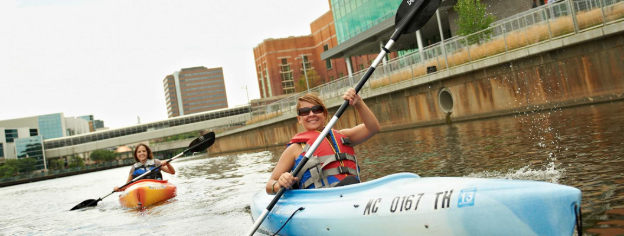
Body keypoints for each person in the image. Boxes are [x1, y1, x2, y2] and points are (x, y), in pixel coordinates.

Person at [266, 88, 380, 194]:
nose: (311, 114)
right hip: (321, 200)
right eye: (305, 112)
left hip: (352, 190)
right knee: (350, 181)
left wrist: (358, 103)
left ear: (324, 114)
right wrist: (280, 184)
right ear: (299, 119)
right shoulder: (294, 149)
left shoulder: (344, 136)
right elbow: (270, 184)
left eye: (317, 110)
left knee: (350, 181)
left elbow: (373, 128)